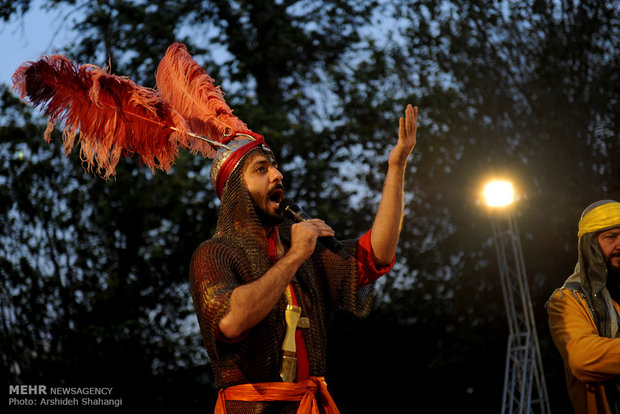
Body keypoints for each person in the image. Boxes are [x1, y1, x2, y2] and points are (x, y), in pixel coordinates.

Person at [189, 104, 418, 413]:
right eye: (261, 169)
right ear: (235, 189)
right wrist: (295, 255)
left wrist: (397, 166)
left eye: (274, 166)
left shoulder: (302, 249)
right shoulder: (214, 254)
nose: (277, 174)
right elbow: (231, 322)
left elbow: (375, 256)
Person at [547, 199, 620, 414]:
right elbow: (583, 359)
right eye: (610, 237)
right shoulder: (567, 299)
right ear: (591, 246)